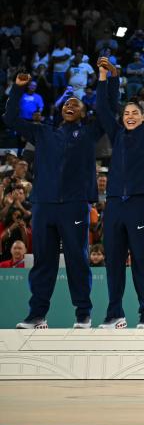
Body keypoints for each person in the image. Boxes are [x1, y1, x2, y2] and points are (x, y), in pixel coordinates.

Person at [5, 72, 105, 329]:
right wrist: (17, 89)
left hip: (74, 205)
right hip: (43, 205)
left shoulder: (88, 134)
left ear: (84, 113)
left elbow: (108, 111)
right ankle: (37, 315)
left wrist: (106, 80)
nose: (70, 106)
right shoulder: (43, 132)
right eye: (67, 104)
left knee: (77, 259)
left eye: (76, 105)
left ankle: (83, 313)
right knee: (43, 262)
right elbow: (11, 119)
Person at [94, 56, 144, 329]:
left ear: (143, 117)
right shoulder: (116, 134)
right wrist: (103, 77)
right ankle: (115, 313)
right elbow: (102, 109)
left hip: (138, 203)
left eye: (135, 113)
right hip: (114, 204)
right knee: (113, 261)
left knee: (142, 259)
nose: (130, 116)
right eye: (126, 113)